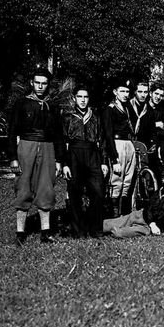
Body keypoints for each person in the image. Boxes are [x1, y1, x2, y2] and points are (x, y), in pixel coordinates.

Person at [7, 68, 63, 245]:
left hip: (48, 148)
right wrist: (13, 157)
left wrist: (60, 160)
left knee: (46, 188)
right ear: (32, 82)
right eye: (37, 82)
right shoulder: (21, 103)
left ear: (48, 85)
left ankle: (45, 232)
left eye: (44, 83)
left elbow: (59, 135)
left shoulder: (53, 106)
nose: (40, 86)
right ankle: (20, 233)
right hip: (26, 146)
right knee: (23, 187)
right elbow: (11, 132)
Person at [60, 86, 110, 238]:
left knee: (98, 192)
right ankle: (78, 230)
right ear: (74, 98)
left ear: (89, 99)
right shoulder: (68, 117)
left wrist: (103, 162)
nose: (82, 100)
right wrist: (65, 164)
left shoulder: (95, 116)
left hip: (92, 154)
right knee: (75, 194)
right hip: (74, 154)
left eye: (85, 97)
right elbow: (63, 141)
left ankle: (94, 228)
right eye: (79, 97)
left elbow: (102, 140)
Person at [103, 169, 164, 238]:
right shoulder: (159, 192)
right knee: (107, 224)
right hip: (141, 216)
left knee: (119, 233)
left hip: (147, 227)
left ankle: (118, 230)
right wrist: (152, 223)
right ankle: (93, 227)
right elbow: (148, 208)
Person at [102, 79, 136, 216]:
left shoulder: (127, 108)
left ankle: (124, 213)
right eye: (122, 91)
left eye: (127, 91)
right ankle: (114, 214)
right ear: (115, 92)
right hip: (117, 144)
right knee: (116, 180)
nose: (125, 94)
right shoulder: (109, 109)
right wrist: (114, 159)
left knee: (128, 179)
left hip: (129, 144)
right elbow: (108, 135)